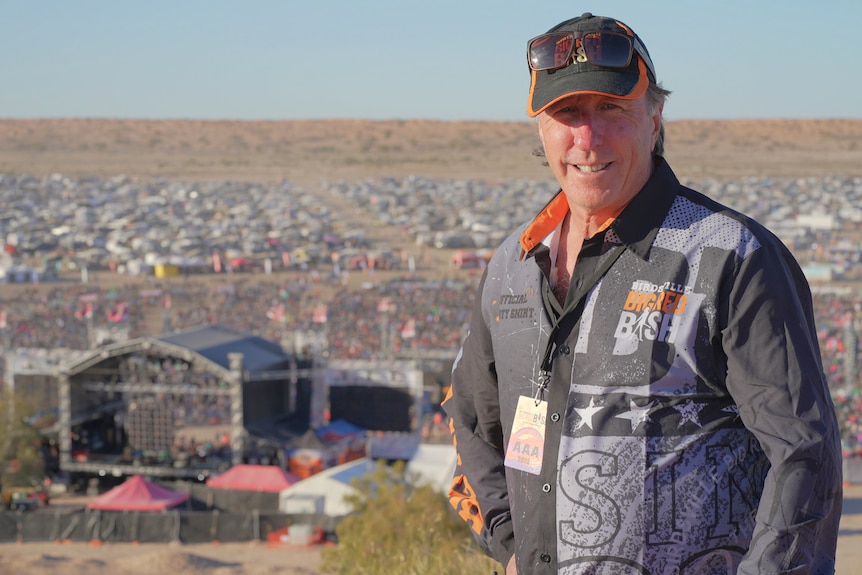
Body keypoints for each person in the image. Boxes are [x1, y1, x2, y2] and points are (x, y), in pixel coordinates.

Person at [442, 12, 843, 575]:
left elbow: (804, 456)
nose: (588, 137)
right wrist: (509, 542)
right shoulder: (513, 265)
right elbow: (471, 421)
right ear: (541, 129)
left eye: (612, 109)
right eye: (566, 114)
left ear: (654, 117)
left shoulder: (732, 255)